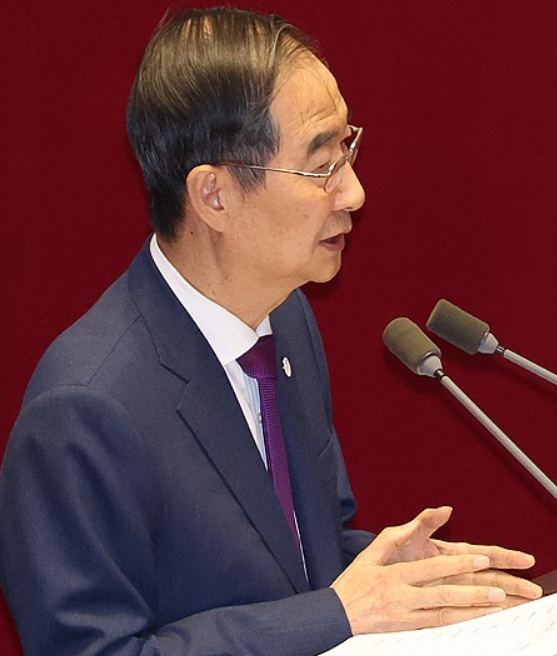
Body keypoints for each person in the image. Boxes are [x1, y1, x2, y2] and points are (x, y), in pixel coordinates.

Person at [0, 6, 542, 656]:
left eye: (347, 148)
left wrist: (391, 576)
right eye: (320, 166)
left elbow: (301, 561)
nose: (354, 193)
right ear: (214, 196)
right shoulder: (84, 410)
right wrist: (337, 613)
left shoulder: (284, 316)